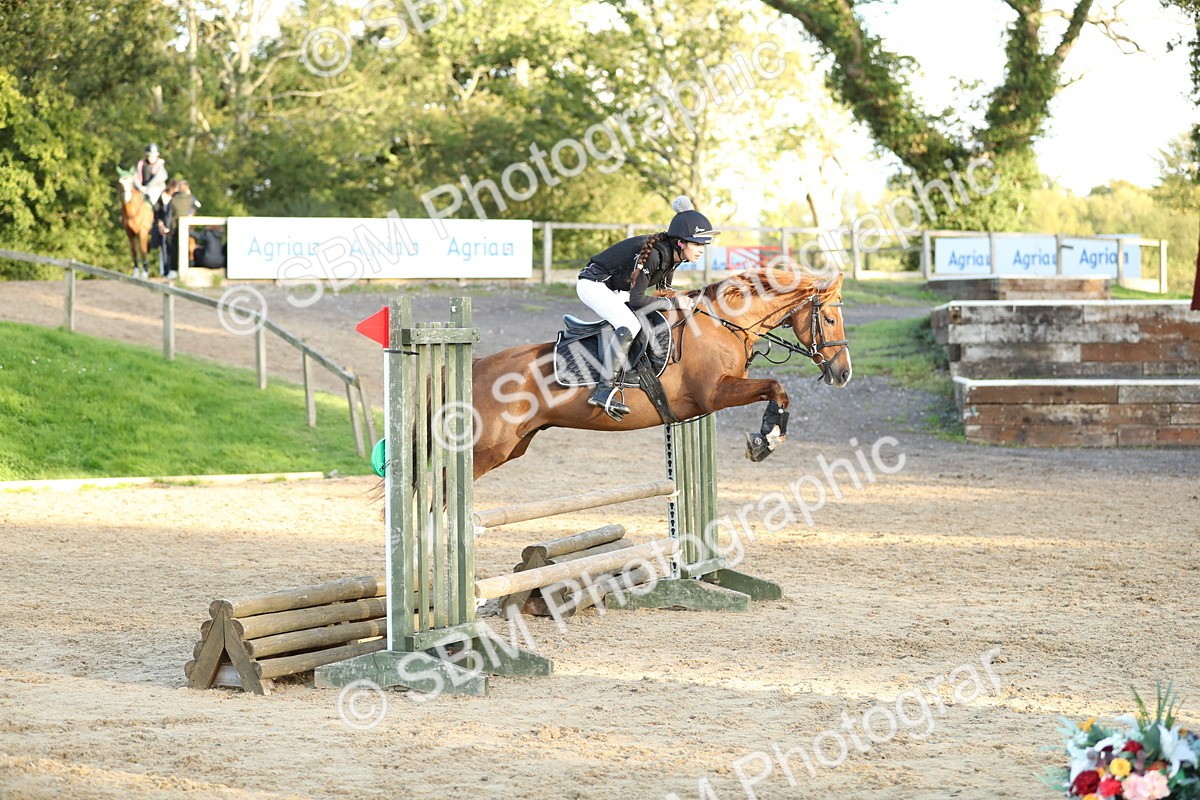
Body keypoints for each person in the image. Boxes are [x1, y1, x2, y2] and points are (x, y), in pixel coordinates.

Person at [576, 195, 720, 418]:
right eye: (697, 244)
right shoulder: (654, 255)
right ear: (681, 242)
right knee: (629, 323)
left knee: (651, 315)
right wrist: (675, 303)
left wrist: (692, 301)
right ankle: (602, 390)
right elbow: (638, 300)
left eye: (703, 244)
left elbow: (663, 292)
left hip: (616, 289)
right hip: (593, 284)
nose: (702, 249)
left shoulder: (675, 256)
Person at [163, 180, 200, 279]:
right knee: (189, 248)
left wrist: (167, 227)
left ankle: (174, 270)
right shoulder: (191, 198)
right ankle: (189, 268)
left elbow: (168, 214)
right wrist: (190, 213)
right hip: (188, 228)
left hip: (175, 227)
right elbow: (198, 205)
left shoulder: (173, 199)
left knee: (174, 250)